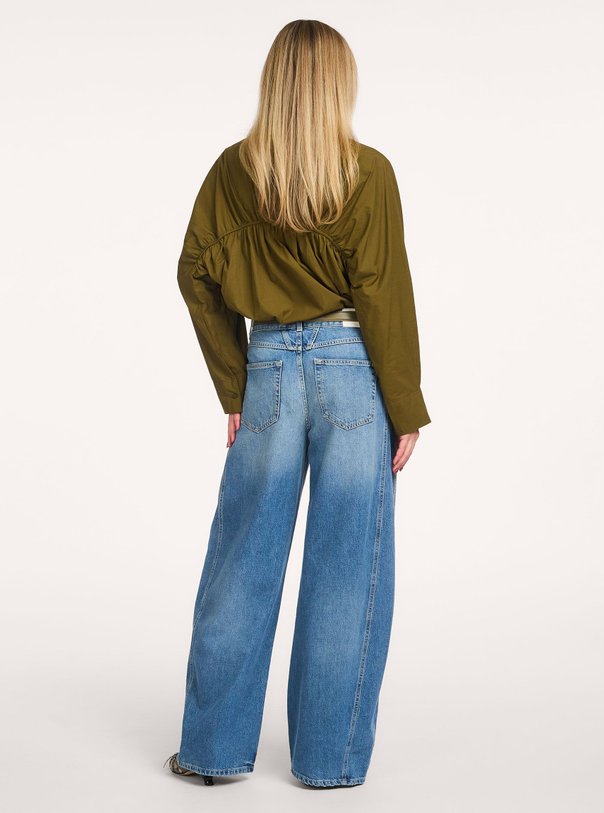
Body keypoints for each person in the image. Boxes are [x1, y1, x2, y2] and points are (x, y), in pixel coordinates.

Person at [164, 18, 432, 789]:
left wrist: (234, 381)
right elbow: (383, 293)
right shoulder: (368, 174)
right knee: (348, 568)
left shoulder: (232, 172)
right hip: (353, 371)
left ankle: (212, 751)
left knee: (242, 561)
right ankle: (329, 760)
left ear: (273, 83)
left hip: (270, 367)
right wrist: (405, 404)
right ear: (339, 86)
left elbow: (193, 271)